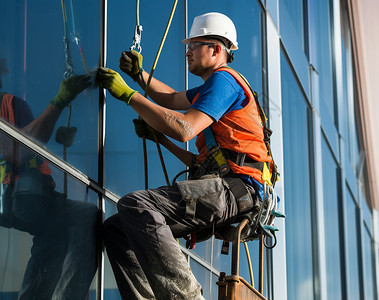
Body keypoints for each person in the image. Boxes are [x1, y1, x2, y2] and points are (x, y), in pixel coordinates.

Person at [98, 12, 274, 299]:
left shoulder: (224, 81)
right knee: (117, 228)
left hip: (235, 189)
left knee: (136, 205)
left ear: (216, 49)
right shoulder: (211, 89)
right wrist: (139, 76)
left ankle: (186, 297)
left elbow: (184, 128)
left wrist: (129, 95)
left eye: (194, 45)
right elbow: (170, 100)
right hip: (226, 188)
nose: (187, 51)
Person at [0, 58, 98, 299]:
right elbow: (19, 150)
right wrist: (59, 102)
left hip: (31, 195)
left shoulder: (12, 104)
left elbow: (33, 143)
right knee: (86, 216)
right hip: (15, 197)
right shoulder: (8, 105)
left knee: (52, 238)